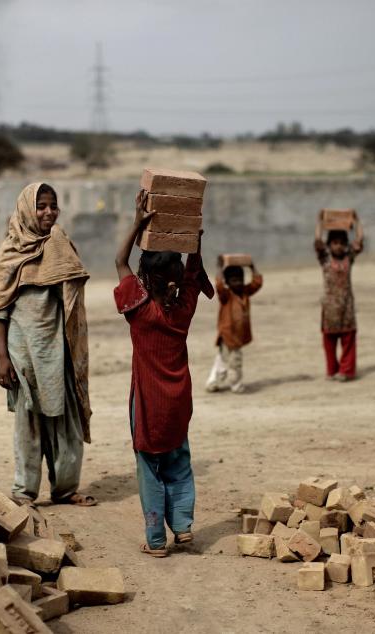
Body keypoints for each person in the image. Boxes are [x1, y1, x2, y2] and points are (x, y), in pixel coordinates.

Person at [114, 190, 214, 557]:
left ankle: (156, 540)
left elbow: (118, 260)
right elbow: (192, 273)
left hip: (149, 405)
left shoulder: (139, 311)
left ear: (146, 278)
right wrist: (192, 239)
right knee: (179, 461)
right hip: (179, 401)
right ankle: (184, 528)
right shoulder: (183, 308)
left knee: (149, 469)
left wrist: (138, 221)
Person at [0, 182, 96, 507]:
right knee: (28, 423)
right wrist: (1, 356)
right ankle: (25, 492)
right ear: (26, 209)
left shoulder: (59, 243)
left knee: (65, 421)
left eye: (53, 206)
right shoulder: (10, 253)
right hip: (22, 351)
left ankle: (65, 488)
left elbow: (72, 297)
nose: (48, 212)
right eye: (41, 206)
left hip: (58, 348)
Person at [314, 214, 363, 381]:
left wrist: (356, 221)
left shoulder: (349, 258)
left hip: (347, 306)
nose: (339, 247)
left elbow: (359, 240)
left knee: (348, 339)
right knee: (329, 341)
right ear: (329, 245)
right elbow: (317, 241)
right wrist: (320, 222)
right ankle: (332, 370)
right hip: (330, 308)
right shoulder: (325, 259)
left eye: (342, 243)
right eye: (335, 243)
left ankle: (346, 370)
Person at [205, 259, 263, 393]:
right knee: (232, 360)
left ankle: (214, 382)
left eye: (240, 280)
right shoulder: (226, 295)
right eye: (234, 281)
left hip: (238, 335)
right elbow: (219, 285)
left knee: (224, 360)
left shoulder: (245, 291)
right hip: (227, 333)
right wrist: (220, 268)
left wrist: (252, 267)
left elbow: (257, 283)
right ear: (228, 282)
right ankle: (235, 385)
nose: (237, 283)